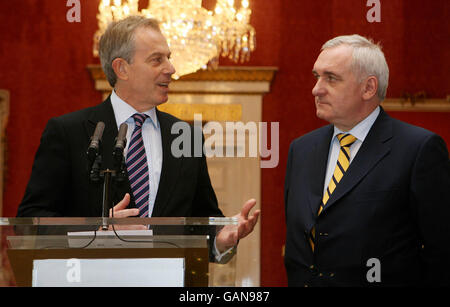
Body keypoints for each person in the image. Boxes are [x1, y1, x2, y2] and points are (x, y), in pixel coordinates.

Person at [17, 16, 259, 257]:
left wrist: (221, 238)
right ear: (122, 68)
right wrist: (95, 230)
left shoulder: (187, 136)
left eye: (169, 58)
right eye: (157, 60)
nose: (171, 69)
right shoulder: (68, 131)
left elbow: (202, 219)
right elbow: (29, 221)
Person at [284, 34, 450, 286]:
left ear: (368, 88)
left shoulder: (419, 149)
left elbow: (441, 252)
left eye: (331, 78)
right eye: (317, 76)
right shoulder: (301, 149)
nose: (316, 89)